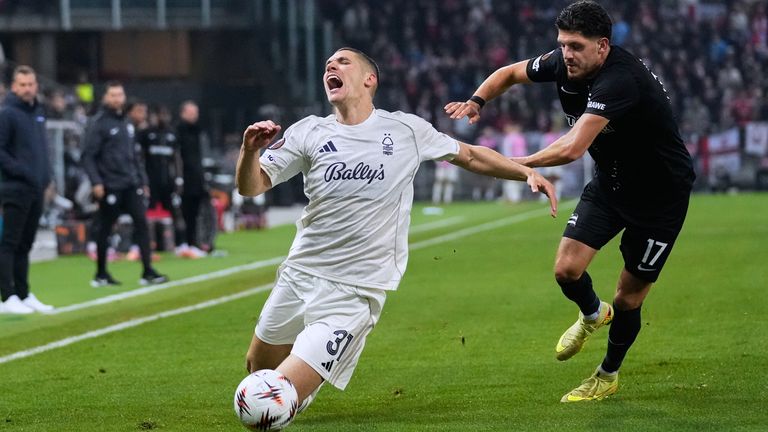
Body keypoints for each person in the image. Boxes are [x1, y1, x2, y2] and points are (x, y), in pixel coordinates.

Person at [236, 47, 557, 428]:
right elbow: (252, 186)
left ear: (370, 79)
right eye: (328, 65)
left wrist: (524, 173)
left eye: (343, 62)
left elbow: (469, 155)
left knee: (268, 400)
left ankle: (300, 384)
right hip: (300, 273)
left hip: (355, 291)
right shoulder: (308, 131)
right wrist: (248, 152)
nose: (331, 67)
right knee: (256, 371)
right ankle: (300, 383)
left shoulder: (406, 130)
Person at [445, 0, 695, 403]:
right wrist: (477, 100)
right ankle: (593, 315)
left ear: (603, 46)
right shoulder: (562, 63)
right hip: (611, 184)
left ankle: (607, 374)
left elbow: (573, 147)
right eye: (562, 44)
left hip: (660, 198)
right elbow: (508, 73)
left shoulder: (621, 79)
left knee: (629, 297)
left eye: (576, 46)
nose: (566, 54)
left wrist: (511, 163)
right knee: (566, 270)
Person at [81, 81, 168, 287]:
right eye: (112, 95)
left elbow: (134, 157)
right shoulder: (98, 123)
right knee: (105, 228)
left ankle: (147, 271)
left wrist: (142, 180)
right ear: (105, 97)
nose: (117, 99)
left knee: (142, 224)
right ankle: (101, 273)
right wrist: (96, 182)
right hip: (109, 185)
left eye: (119, 95)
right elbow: (88, 156)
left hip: (130, 183)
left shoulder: (127, 123)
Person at [0, 65, 54, 314]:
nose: (27, 89)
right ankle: (7, 295)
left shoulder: (38, 113)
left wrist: (46, 177)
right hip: (15, 188)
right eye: (22, 84)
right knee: (9, 242)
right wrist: (22, 172)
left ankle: (23, 293)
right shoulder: (7, 113)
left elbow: (41, 150)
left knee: (25, 244)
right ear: (14, 87)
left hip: (36, 188)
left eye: (31, 84)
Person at [175, 100, 208, 258]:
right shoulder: (177, 131)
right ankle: (183, 243)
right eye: (191, 112)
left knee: (195, 213)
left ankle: (194, 242)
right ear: (183, 113)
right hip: (184, 180)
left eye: (196, 112)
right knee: (184, 214)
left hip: (196, 179)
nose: (195, 115)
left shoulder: (198, 131)